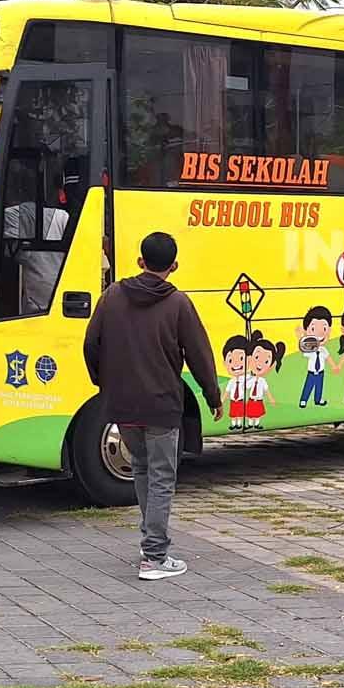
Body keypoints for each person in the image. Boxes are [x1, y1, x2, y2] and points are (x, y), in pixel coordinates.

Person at [82, 232, 222, 581]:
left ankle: (150, 546)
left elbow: (91, 344)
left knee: (142, 469)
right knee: (161, 476)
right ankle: (155, 556)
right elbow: (200, 355)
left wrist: (104, 383)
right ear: (173, 266)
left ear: (140, 261)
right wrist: (212, 396)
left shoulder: (112, 296)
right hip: (161, 404)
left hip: (122, 404)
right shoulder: (178, 304)